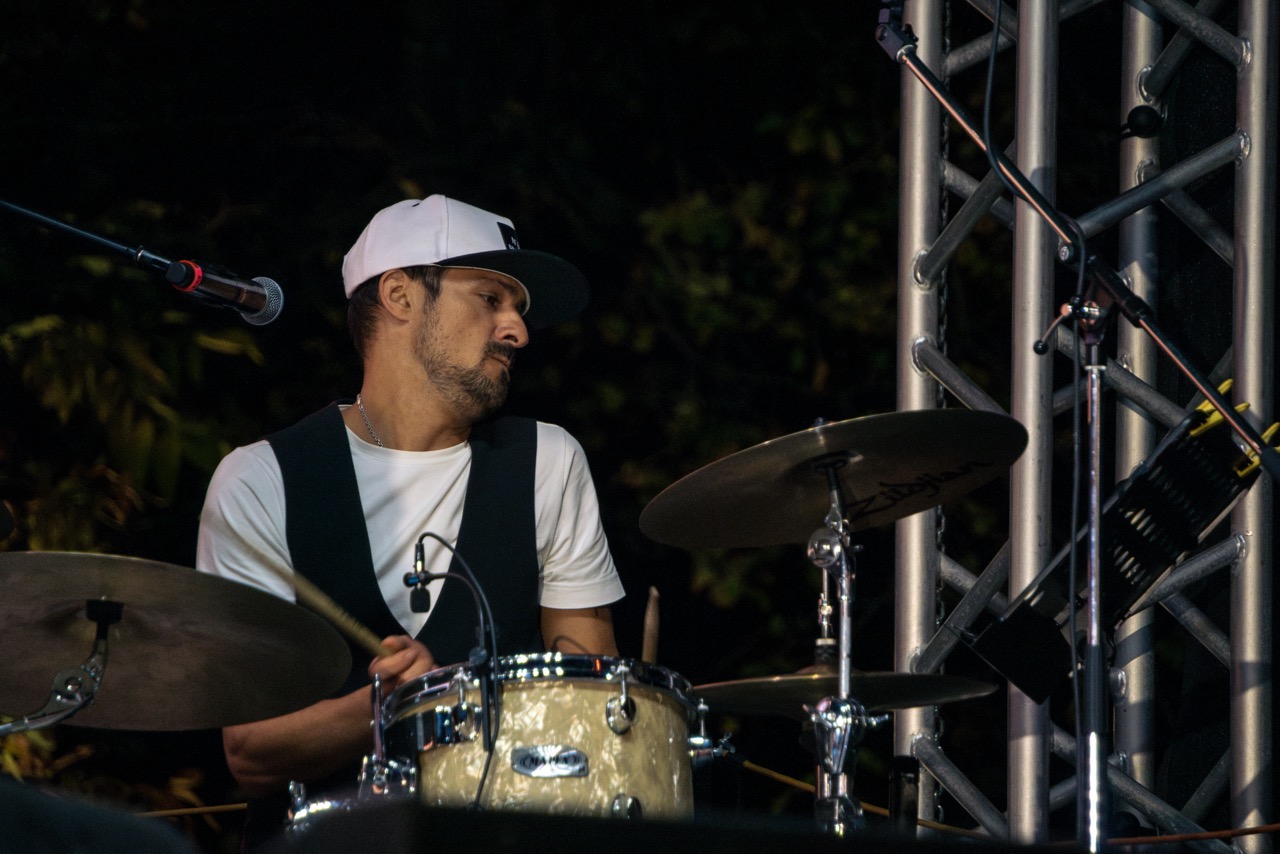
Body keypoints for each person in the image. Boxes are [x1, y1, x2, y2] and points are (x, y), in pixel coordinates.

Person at [195, 195, 625, 845]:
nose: (517, 331)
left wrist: (454, 700)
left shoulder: (548, 461)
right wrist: (386, 706)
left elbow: (596, 708)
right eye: (490, 298)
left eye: (518, 309)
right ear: (400, 296)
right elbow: (252, 754)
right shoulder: (261, 478)